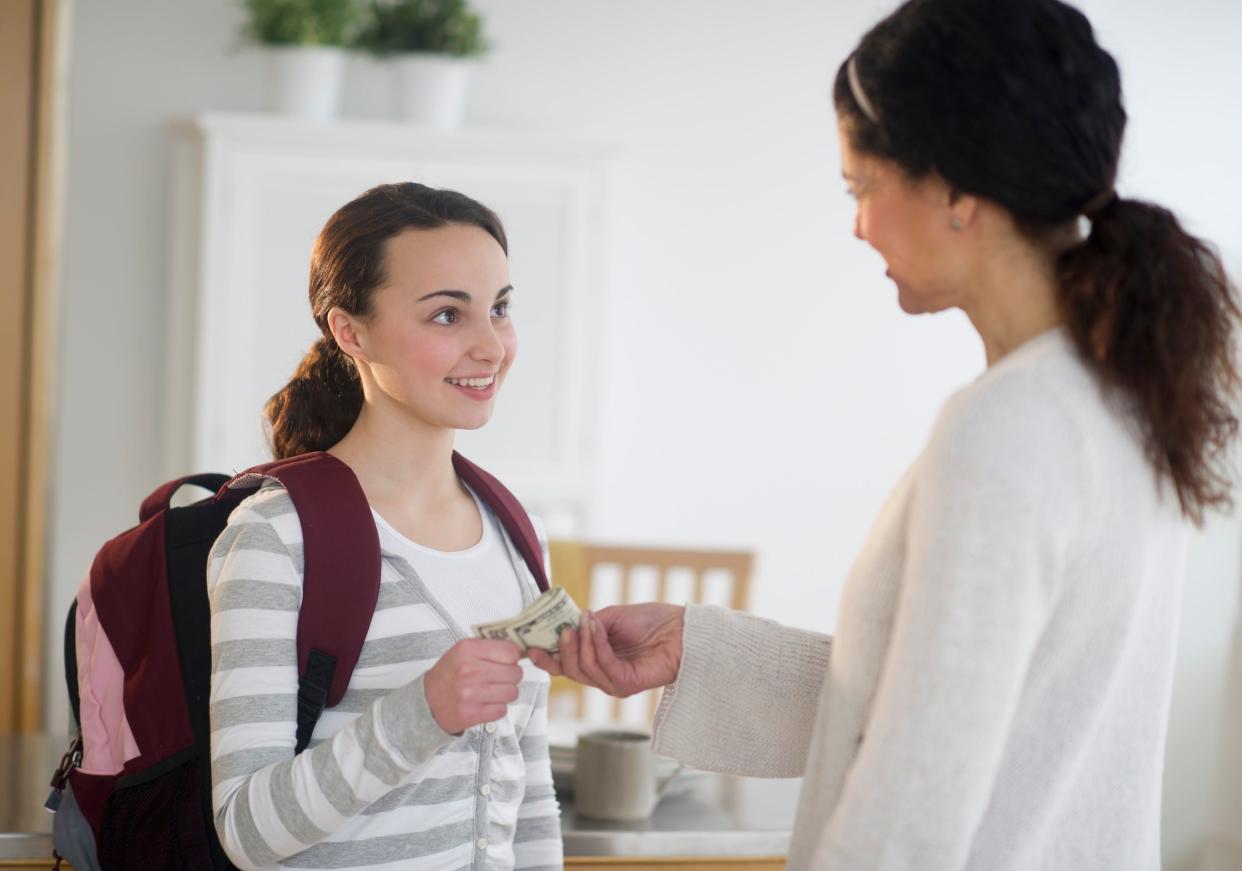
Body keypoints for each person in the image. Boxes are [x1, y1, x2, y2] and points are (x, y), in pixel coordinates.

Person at [529, 1, 1241, 868]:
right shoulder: (1119, 396)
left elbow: (911, 814)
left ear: (955, 189)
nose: (859, 223)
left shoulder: (1008, 429)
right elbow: (968, 703)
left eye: (861, 186)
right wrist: (704, 649)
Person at [207, 182, 562, 870]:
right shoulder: (276, 536)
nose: (491, 346)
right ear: (350, 330)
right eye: (446, 316)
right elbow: (246, 830)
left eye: (500, 308)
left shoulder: (520, 531)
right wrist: (423, 711)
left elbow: (533, 790)